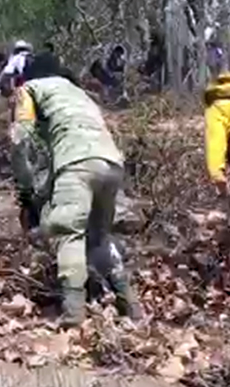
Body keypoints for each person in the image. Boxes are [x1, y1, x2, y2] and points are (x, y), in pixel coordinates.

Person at [11, 51, 140, 326]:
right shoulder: (80, 94)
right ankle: (129, 305)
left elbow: (21, 140)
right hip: (111, 163)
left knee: (68, 232)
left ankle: (73, 314)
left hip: (76, 163)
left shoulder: (29, 90)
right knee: (99, 237)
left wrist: (25, 188)